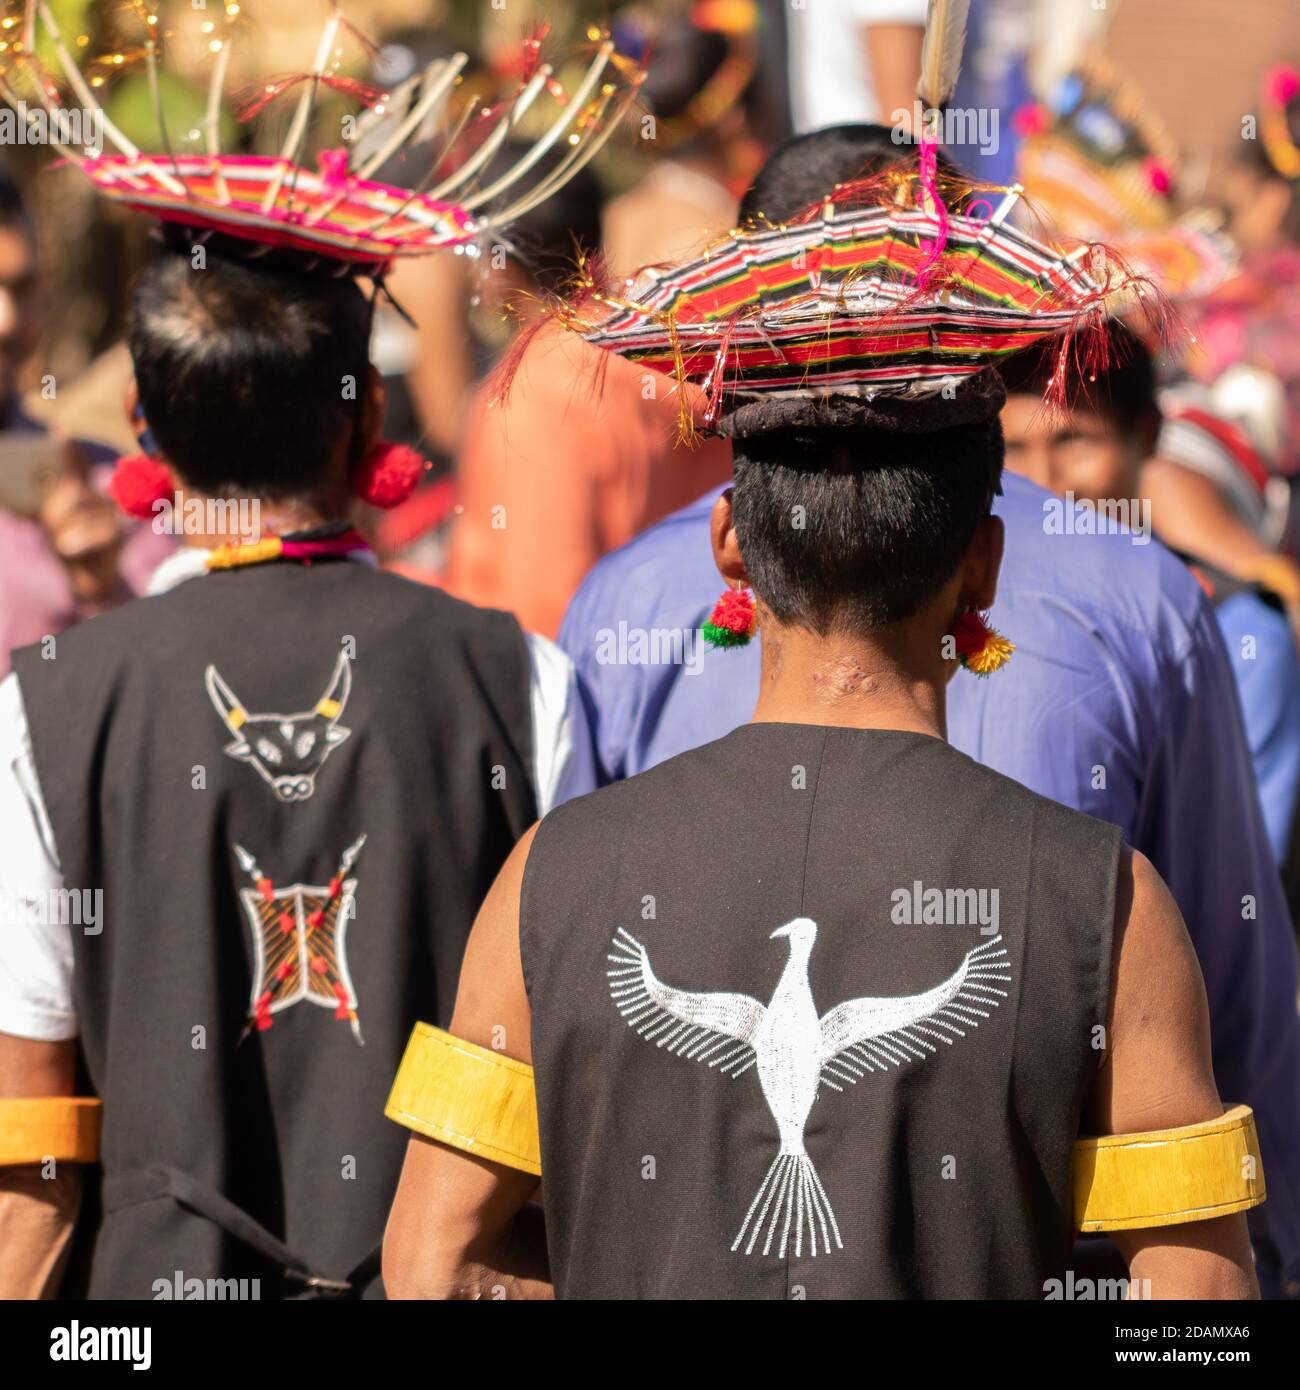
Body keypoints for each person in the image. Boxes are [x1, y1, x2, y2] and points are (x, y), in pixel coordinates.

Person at [382, 154, 1262, 1296]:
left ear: (729, 551)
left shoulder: (547, 883)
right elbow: (1196, 1301)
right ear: (981, 562)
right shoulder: (1106, 904)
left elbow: (430, 1260)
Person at [0, 12, 619, 1299]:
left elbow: (32, 1139)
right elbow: (576, 1070)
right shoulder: (524, 681)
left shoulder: (46, 711)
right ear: (371, 415)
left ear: (150, 449)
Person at [998, 321, 1300, 866]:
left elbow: (1231, 888)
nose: (1042, 482)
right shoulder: (956, 622)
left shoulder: (1242, 636)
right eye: (1013, 448)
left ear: (1147, 435)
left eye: (1074, 440)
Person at [444, 153, 732, 637]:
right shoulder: (671, 355)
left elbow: (541, 606)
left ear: (497, 269)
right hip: (693, 656)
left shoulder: (531, 388)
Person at [0, 169, 169, 674]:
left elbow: (167, 685)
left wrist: (100, 588)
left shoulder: (110, 487)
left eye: (22, 286)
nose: (5, 319)